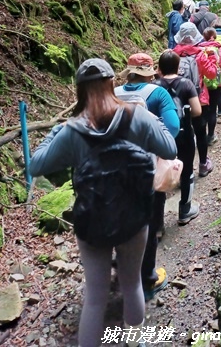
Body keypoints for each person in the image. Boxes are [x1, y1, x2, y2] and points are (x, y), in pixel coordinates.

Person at [30, 58, 177, 347]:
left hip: (92, 218)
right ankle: (135, 341)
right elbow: (170, 148)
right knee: (132, 282)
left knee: (95, 298)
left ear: (79, 91)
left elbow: (36, 165)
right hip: (134, 217)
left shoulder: (73, 131)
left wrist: (57, 130)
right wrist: (152, 124)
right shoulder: (138, 116)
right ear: (113, 84)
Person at [115, 53, 180, 302]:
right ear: (150, 72)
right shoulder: (158, 94)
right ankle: (148, 277)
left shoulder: (112, 93)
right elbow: (173, 127)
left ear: (129, 72)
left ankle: (122, 267)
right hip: (145, 170)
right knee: (150, 222)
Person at [154, 49, 202, 224]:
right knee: (187, 171)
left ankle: (158, 224)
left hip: (160, 136)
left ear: (159, 67)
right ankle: (185, 210)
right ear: (178, 66)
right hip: (184, 134)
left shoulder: (155, 87)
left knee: (158, 174)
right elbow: (197, 111)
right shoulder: (186, 84)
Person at [172, 22, 218, 177]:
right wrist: (212, 58)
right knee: (200, 132)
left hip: (177, 101)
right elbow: (211, 74)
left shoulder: (173, 55)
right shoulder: (201, 54)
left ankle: (185, 169)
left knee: (183, 134)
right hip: (199, 100)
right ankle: (203, 164)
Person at [201, 27, 221, 143]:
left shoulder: (200, 50)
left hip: (203, 84)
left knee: (204, 110)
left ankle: (201, 137)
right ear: (215, 36)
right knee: (213, 110)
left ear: (203, 37)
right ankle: (210, 136)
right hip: (218, 83)